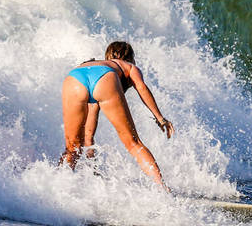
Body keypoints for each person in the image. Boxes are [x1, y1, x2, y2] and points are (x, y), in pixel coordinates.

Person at [60, 41, 174, 190]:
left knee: (72, 147)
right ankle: (163, 189)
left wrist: (92, 166)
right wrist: (160, 118)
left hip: (74, 77)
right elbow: (141, 87)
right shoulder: (129, 67)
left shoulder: (95, 63)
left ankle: (58, 187)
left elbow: (89, 133)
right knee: (134, 144)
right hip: (104, 78)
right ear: (130, 58)